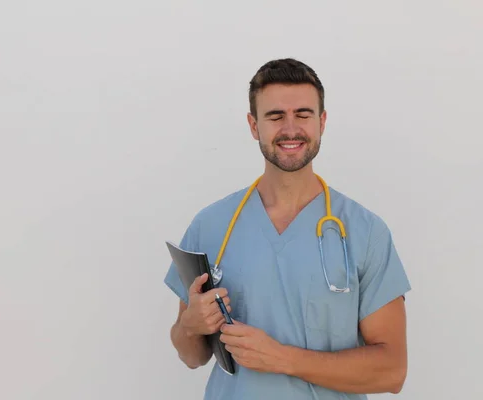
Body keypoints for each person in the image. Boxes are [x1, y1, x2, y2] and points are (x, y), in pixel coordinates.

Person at [163, 58, 411, 400]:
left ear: (322, 122)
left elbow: (392, 371)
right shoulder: (211, 225)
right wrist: (190, 326)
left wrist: (283, 359)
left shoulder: (365, 232)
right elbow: (192, 356)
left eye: (303, 114)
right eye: (275, 116)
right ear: (254, 126)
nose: (290, 129)